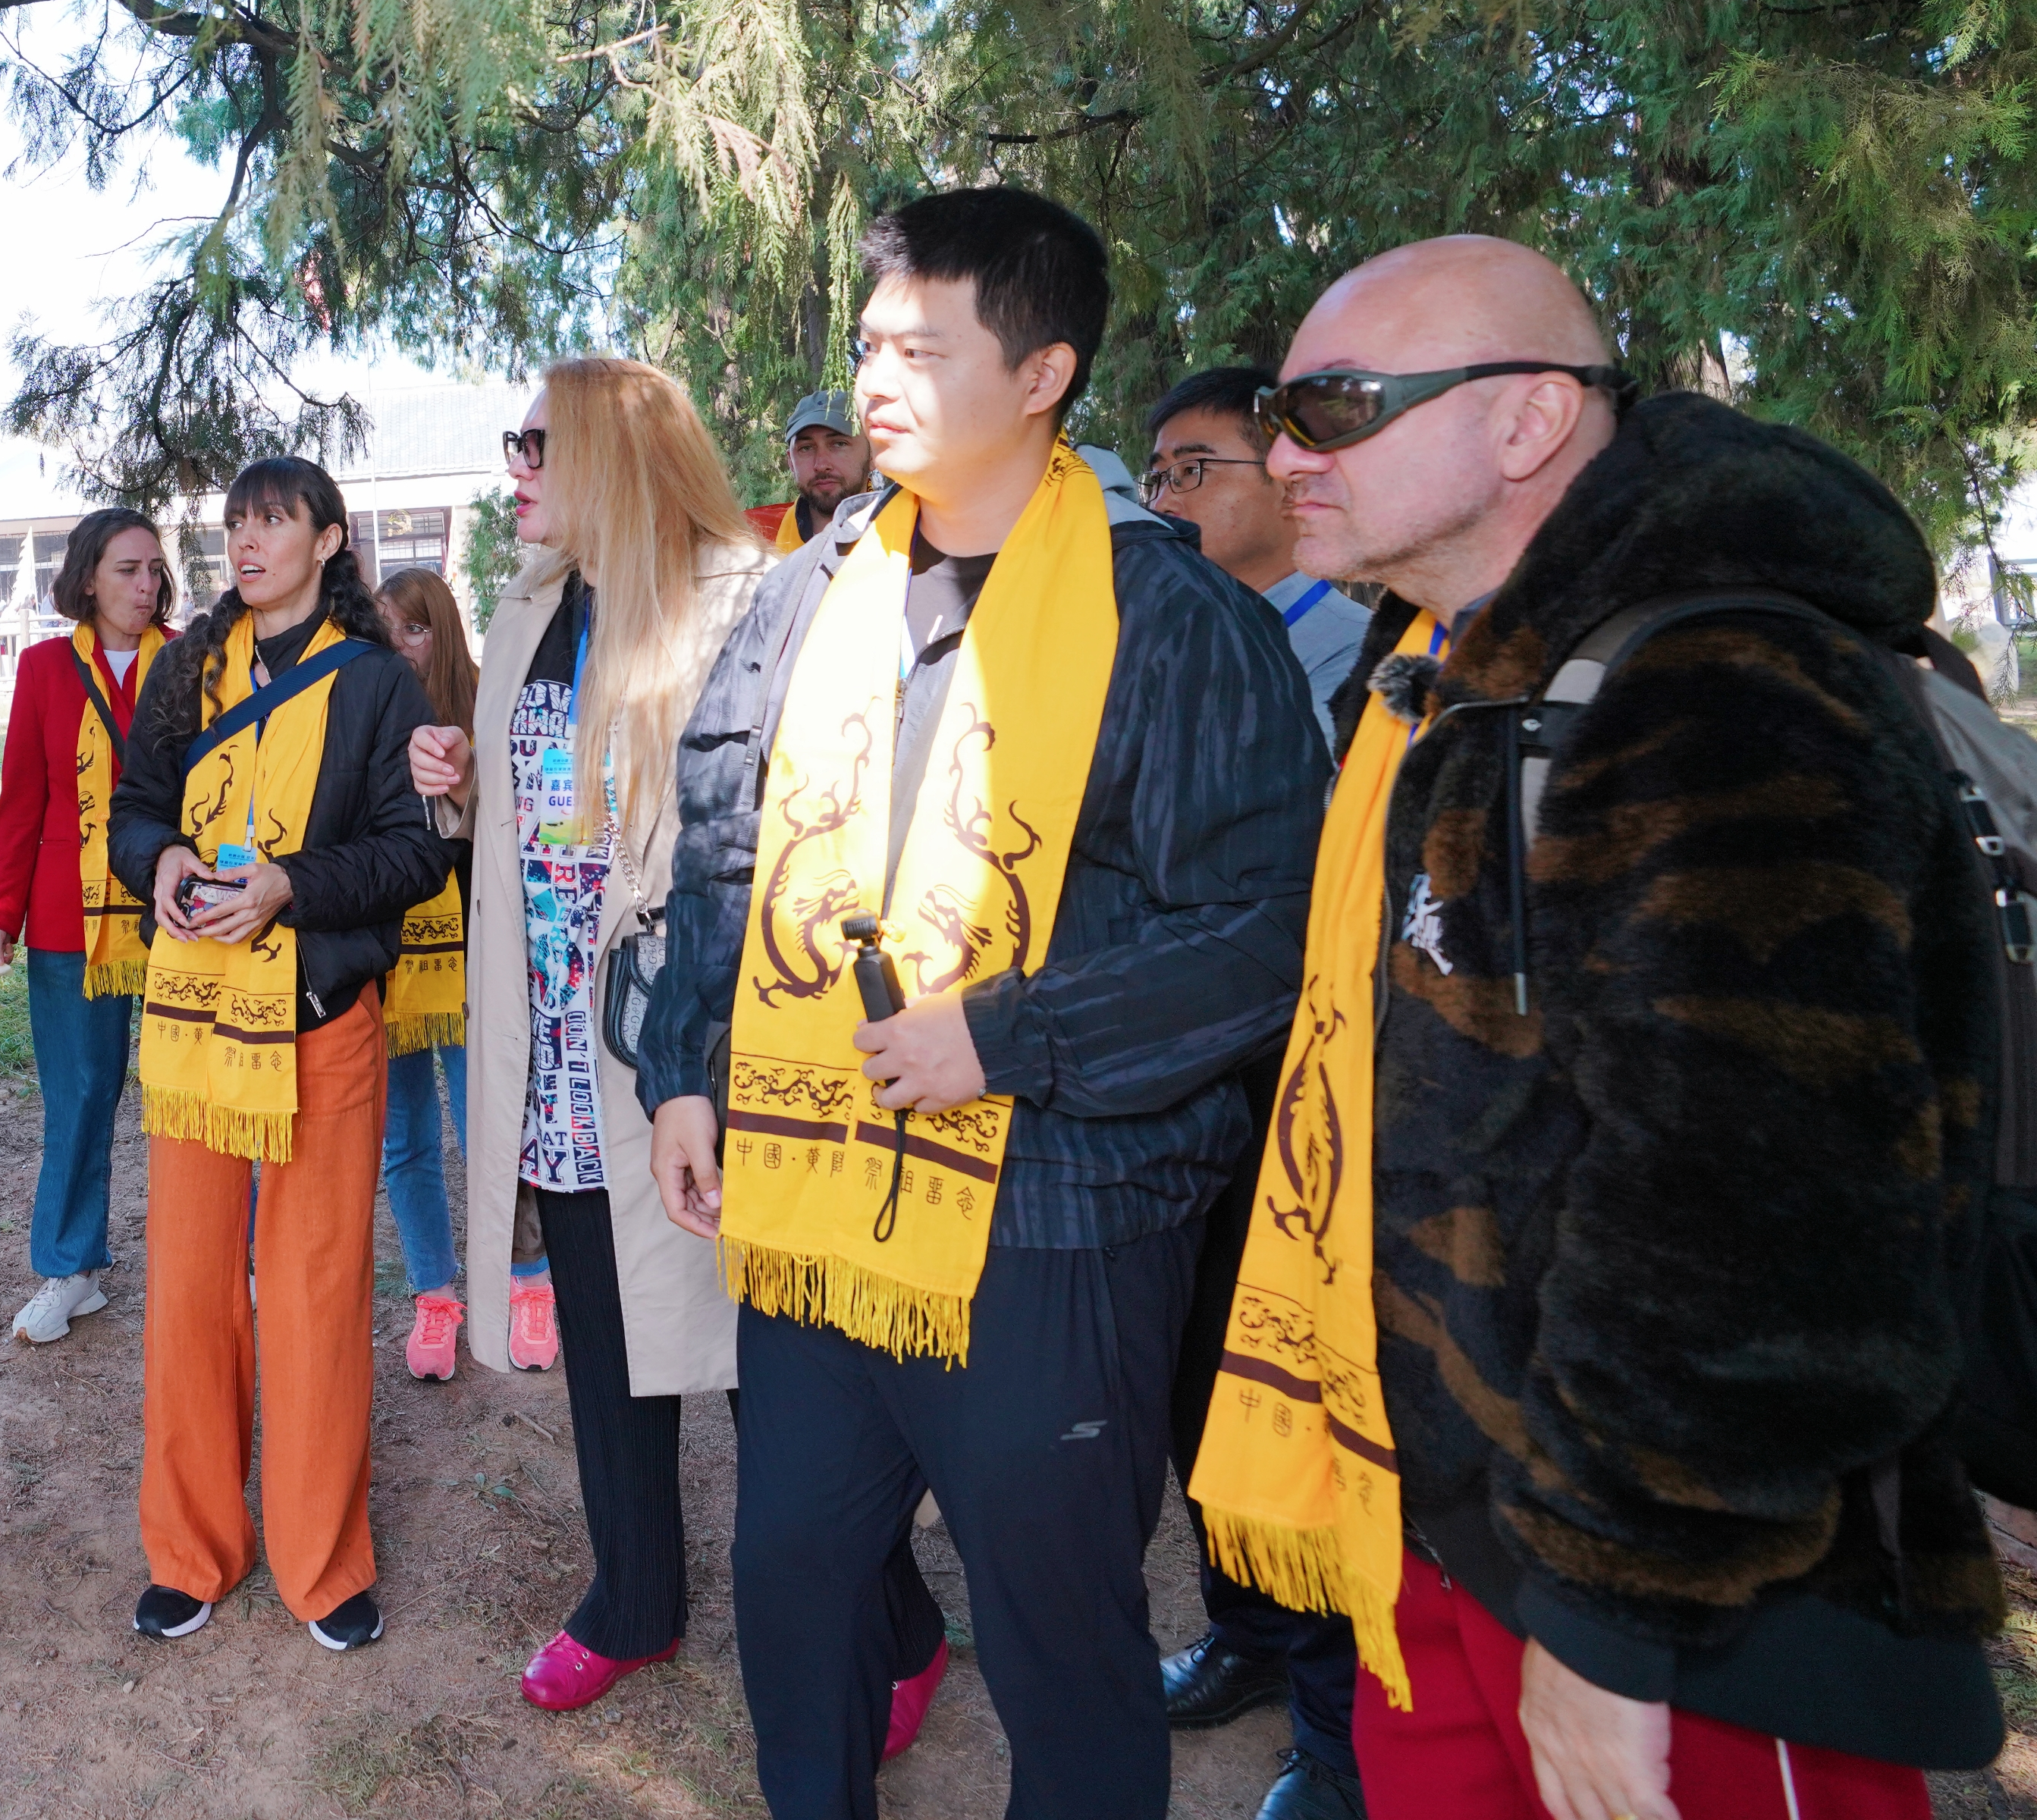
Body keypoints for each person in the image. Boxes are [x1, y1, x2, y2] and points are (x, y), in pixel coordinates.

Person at [1199, 236, 2003, 1820]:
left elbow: (1762, 1212)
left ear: (1525, 423)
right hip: (1438, 1521)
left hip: (1687, 1596)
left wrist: (1612, 1609)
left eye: (1336, 405)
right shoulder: (1436, 673)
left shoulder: (1719, 680)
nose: (1286, 451)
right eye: (1283, 411)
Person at [641, 186, 1328, 1820]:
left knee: (1059, 1643)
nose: (871, 377)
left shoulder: (1172, 620)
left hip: (1056, 1216)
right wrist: (681, 1066)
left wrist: (1005, 1036)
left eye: (919, 347)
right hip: (813, 1207)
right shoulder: (807, 593)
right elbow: (722, 847)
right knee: (796, 1583)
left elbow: (1263, 927)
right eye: (867, 341)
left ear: (1041, 373)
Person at [407, 359, 939, 1728]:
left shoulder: (748, 600)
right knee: (604, 1346)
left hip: (706, 1054)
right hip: (564, 1063)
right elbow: (528, 826)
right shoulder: (533, 608)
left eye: (539, 441)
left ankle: (893, 1624)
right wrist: (460, 789)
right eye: (512, 441)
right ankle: (634, 1595)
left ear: (616, 454)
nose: (515, 465)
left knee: (783, 1385)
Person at [111, 457, 450, 1651]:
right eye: (235, 522)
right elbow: (136, 808)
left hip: (319, 1025)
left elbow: (417, 856)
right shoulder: (188, 669)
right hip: (199, 1024)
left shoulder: (377, 686)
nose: (247, 540)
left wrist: (290, 887)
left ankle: (323, 1561)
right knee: (191, 1292)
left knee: (314, 1294)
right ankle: (191, 1549)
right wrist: (155, 861)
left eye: (273, 520)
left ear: (328, 538)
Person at [1137, 358, 1376, 1820]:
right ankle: (1244, 1631)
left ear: (1284, 475)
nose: (1168, 496)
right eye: (1155, 471)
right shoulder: (1173, 638)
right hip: (1190, 1099)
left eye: (1198, 466)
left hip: (1311, 1104)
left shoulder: (1358, 647)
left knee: (1305, 1395)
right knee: (1198, 1399)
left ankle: (1339, 1734)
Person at [0, 509, 177, 1345]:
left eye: (155, 569)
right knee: (80, 1095)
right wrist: (2, 910)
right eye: (128, 569)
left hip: (180, 910)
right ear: (87, 578)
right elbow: (23, 797)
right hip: (70, 918)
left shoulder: (195, 663)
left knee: (192, 1096)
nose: (146, 585)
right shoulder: (43, 668)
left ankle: (225, 1258)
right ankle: (70, 1268)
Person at [369, 563, 510, 1380]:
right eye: (386, 628)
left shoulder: (485, 701)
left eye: (414, 628)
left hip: (472, 963)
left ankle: (520, 1280)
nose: (400, 646)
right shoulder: (364, 705)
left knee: (489, 1127)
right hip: (390, 965)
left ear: (443, 631)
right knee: (407, 1140)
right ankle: (435, 1295)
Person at [1144, 363, 1368, 742]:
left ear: (1290, 487)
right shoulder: (1164, 644)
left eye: (1192, 469)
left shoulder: (1358, 657)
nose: (1161, 505)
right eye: (1158, 479)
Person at [758, 389, 869, 550]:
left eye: (839, 444)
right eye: (806, 448)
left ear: (872, 454)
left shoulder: (907, 536)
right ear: (790, 461)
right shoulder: (758, 540)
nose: (821, 465)